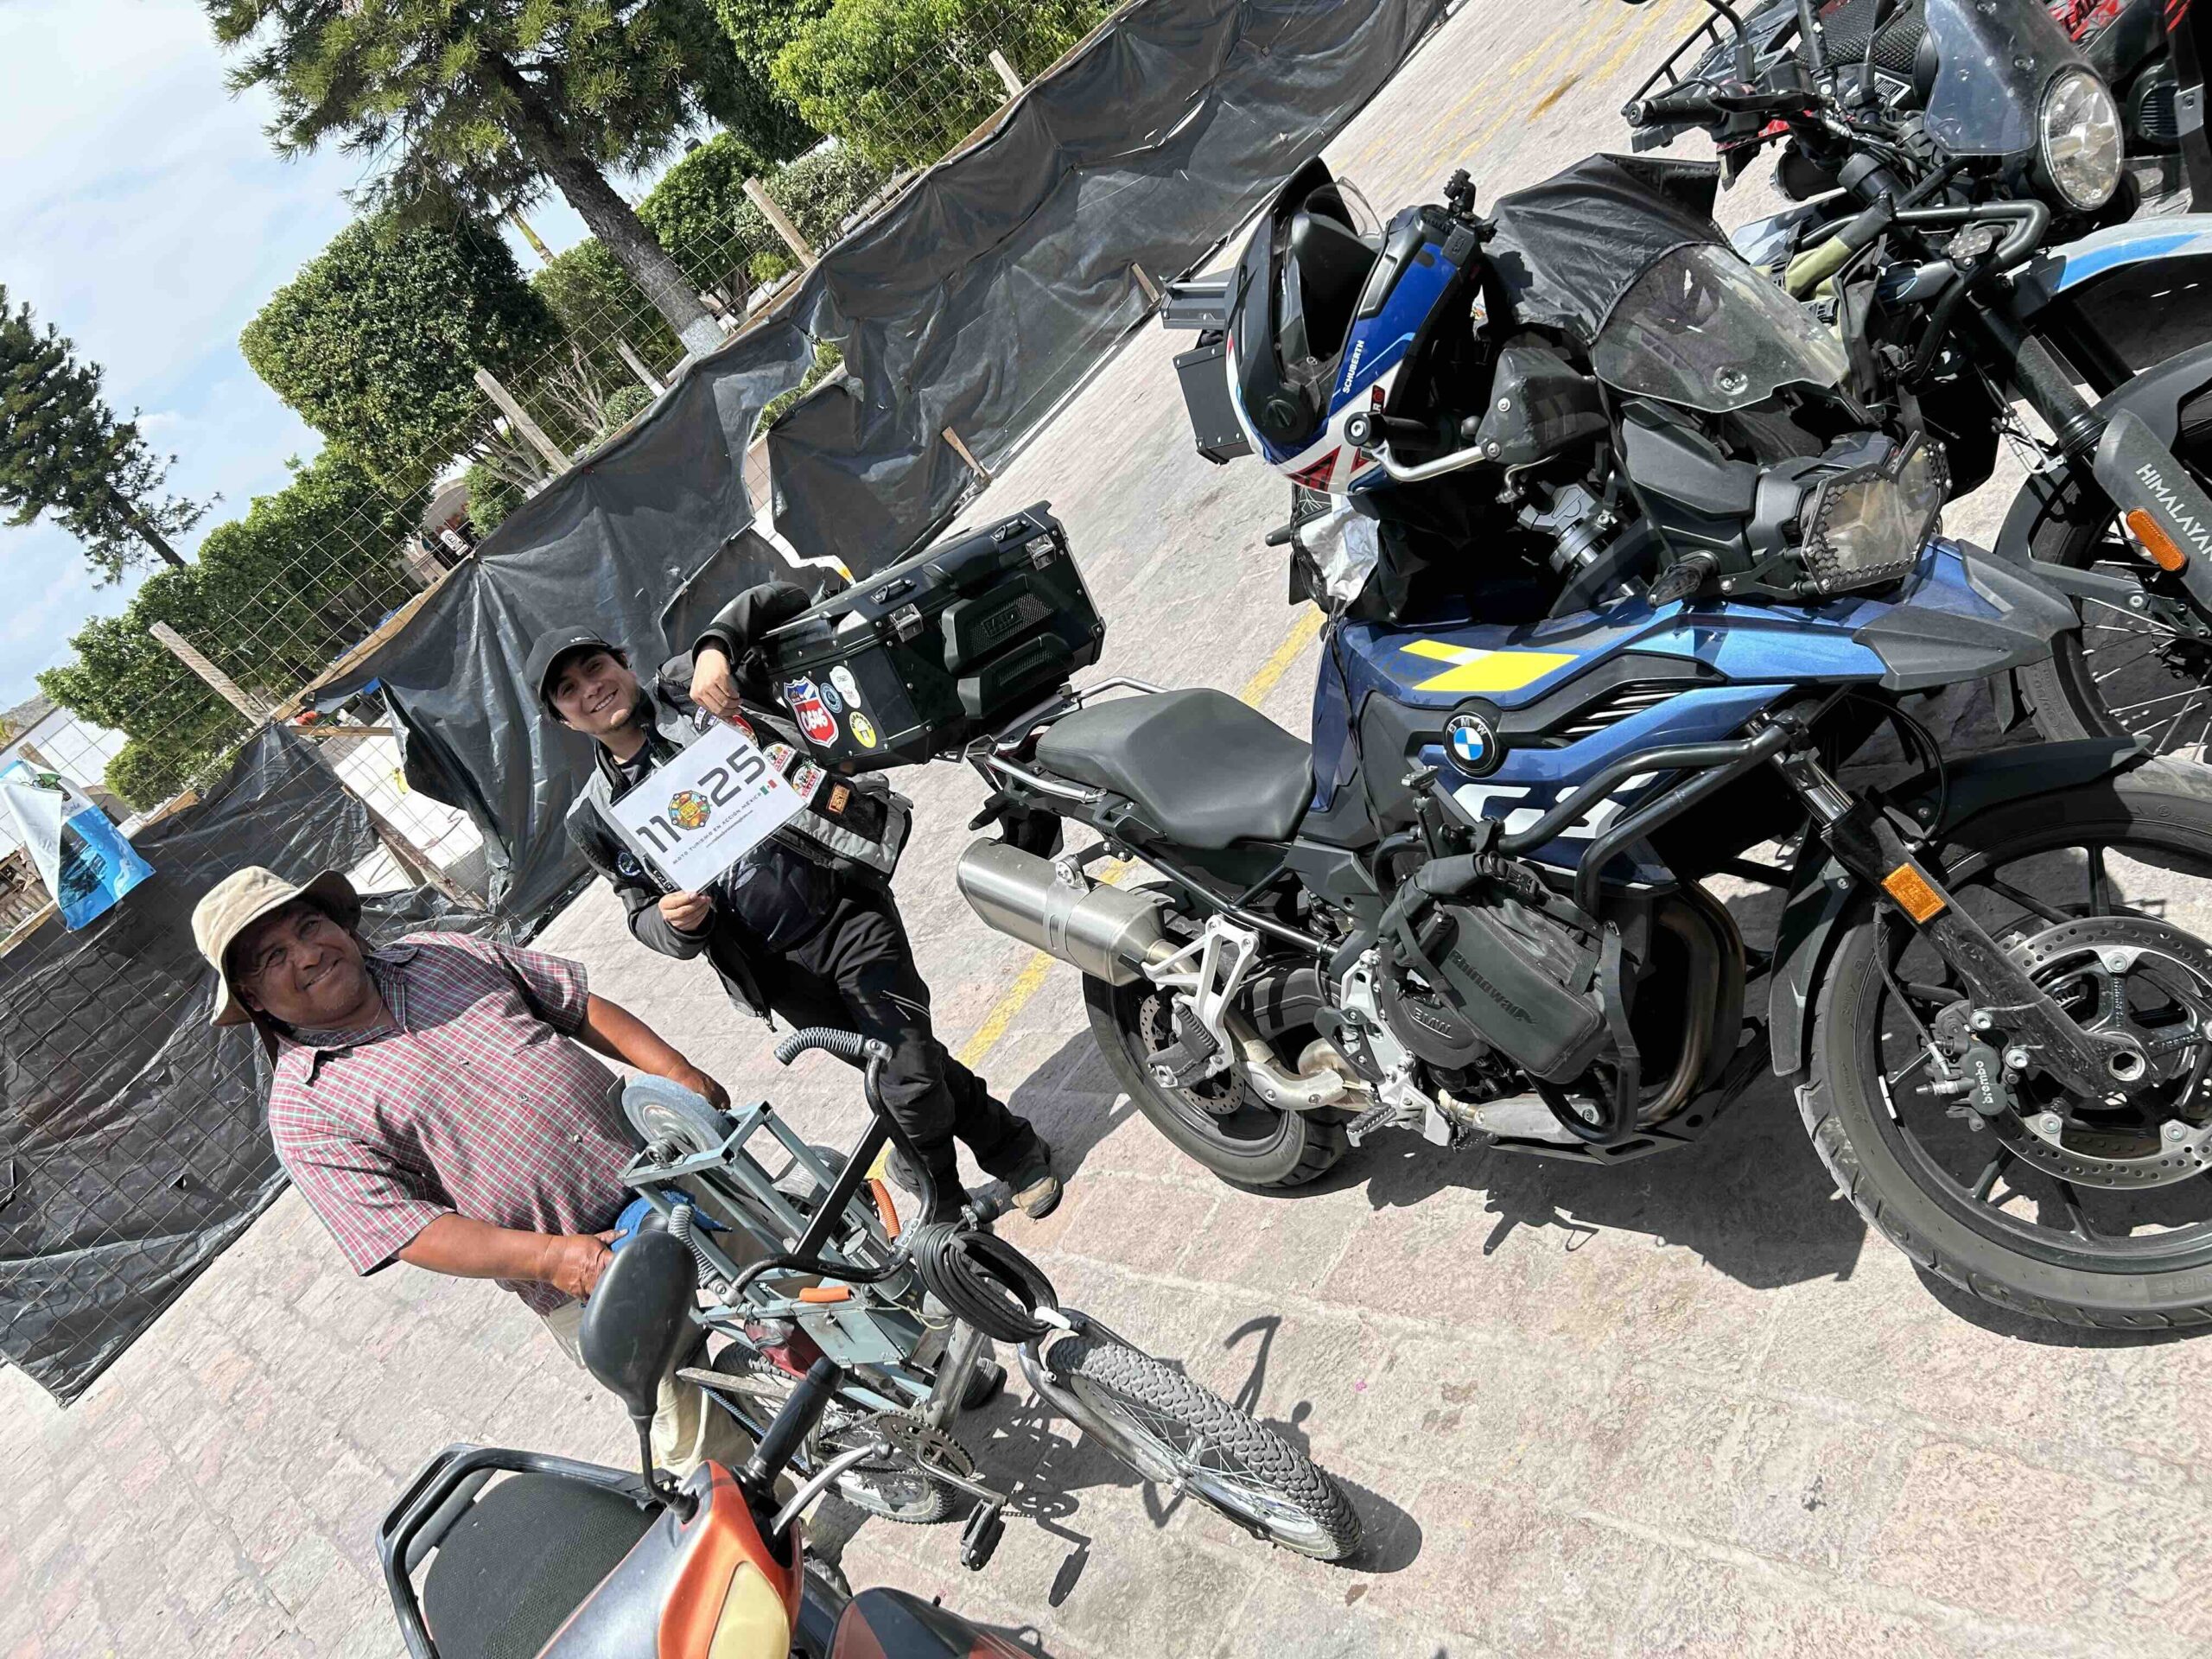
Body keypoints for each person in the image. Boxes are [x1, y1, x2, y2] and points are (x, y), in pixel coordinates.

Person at [191, 865, 751, 1477]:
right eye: (274, 957)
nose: (308, 954)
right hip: (589, 1271)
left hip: (679, 1173)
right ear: (251, 998)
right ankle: (767, 1524)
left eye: (308, 926)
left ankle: (837, 1415)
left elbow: (575, 1006)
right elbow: (408, 1231)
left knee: (802, 1292)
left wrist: (676, 1072)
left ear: (339, 925)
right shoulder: (304, 1111)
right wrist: (554, 1259)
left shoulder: (439, 955)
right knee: (695, 1434)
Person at [530, 598, 1062, 1228]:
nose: (590, 689)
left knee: (906, 1069)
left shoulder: (690, 688)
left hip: (845, 907)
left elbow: (781, 597)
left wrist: (714, 647)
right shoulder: (593, 815)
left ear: (622, 660)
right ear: (561, 718)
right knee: (899, 1064)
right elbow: (638, 909)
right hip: (773, 970)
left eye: (594, 667)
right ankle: (1013, 1147)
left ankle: (942, 1207)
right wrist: (673, 924)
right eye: (568, 690)